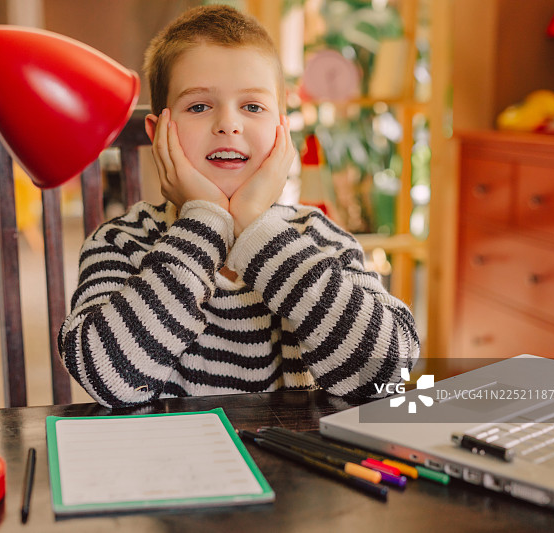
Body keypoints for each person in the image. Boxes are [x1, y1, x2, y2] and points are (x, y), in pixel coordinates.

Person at [59, 5, 419, 408]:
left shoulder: (318, 239)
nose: (229, 124)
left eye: (252, 106)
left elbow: (387, 373)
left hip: (285, 451)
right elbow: (108, 381)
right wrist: (204, 222)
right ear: (159, 134)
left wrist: (255, 225)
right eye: (199, 106)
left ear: (282, 131)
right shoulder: (120, 242)